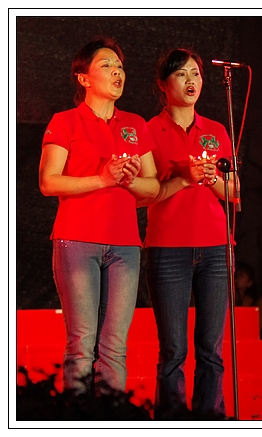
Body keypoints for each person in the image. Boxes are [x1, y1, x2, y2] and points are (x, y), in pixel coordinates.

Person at [38, 37, 159, 395]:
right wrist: (103, 179)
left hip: (125, 245)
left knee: (115, 346)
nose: (117, 72)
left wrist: (130, 179)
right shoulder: (65, 121)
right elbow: (48, 182)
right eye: (106, 66)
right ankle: (77, 416)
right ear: (84, 78)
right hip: (77, 240)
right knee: (81, 343)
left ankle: (111, 415)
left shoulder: (135, 124)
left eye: (120, 67)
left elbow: (154, 187)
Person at [139, 48, 235, 418]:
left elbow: (234, 191)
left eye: (195, 73)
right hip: (168, 248)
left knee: (211, 348)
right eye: (181, 74)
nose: (191, 80)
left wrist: (212, 180)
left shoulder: (216, 130)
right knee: (173, 349)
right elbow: (143, 194)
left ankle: (211, 418)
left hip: (215, 247)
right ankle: (171, 419)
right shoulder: (149, 130)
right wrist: (184, 177)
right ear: (163, 84)